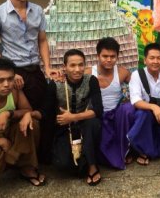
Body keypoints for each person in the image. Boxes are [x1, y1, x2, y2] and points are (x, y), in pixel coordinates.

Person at [0, 0, 60, 162]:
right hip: (15, 72)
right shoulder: (0, 13)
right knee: (25, 114)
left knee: (45, 110)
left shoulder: (38, 10)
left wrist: (48, 67)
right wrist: (10, 73)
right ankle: (24, 161)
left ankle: (43, 156)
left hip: (35, 70)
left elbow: (42, 40)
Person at [20, 49, 103, 186]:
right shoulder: (56, 83)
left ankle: (92, 166)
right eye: (72, 65)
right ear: (64, 67)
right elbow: (44, 111)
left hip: (85, 125)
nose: (77, 69)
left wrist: (74, 117)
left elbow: (98, 110)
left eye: (81, 65)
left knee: (92, 122)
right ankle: (81, 162)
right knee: (63, 165)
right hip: (65, 128)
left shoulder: (91, 80)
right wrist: (29, 114)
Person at [86, 37, 135, 169]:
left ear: (117, 57)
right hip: (97, 115)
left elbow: (138, 85)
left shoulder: (122, 72)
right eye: (105, 56)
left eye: (112, 56)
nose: (108, 60)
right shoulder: (88, 72)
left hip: (116, 116)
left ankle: (126, 150)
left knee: (129, 109)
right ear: (98, 56)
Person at [0, 57, 44, 186]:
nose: (6, 84)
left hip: (9, 129)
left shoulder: (14, 91)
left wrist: (8, 113)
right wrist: (0, 141)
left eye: (10, 79)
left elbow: (27, 109)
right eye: (0, 80)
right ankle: (10, 160)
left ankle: (26, 167)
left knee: (31, 123)